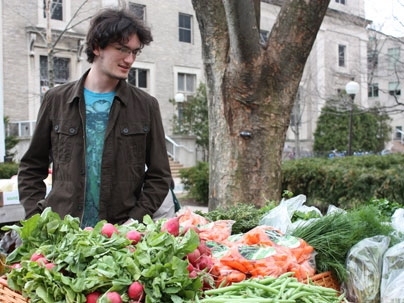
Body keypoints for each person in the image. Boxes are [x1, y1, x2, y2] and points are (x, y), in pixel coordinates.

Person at [17, 7, 173, 228]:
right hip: (63, 235)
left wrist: (134, 221)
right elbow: (31, 167)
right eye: (121, 49)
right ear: (97, 47)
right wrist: (36, 219)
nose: (129, 59)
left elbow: (160, 176)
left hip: (120, 237)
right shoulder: (56, 100)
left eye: (135, 52)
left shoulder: (146, 106)